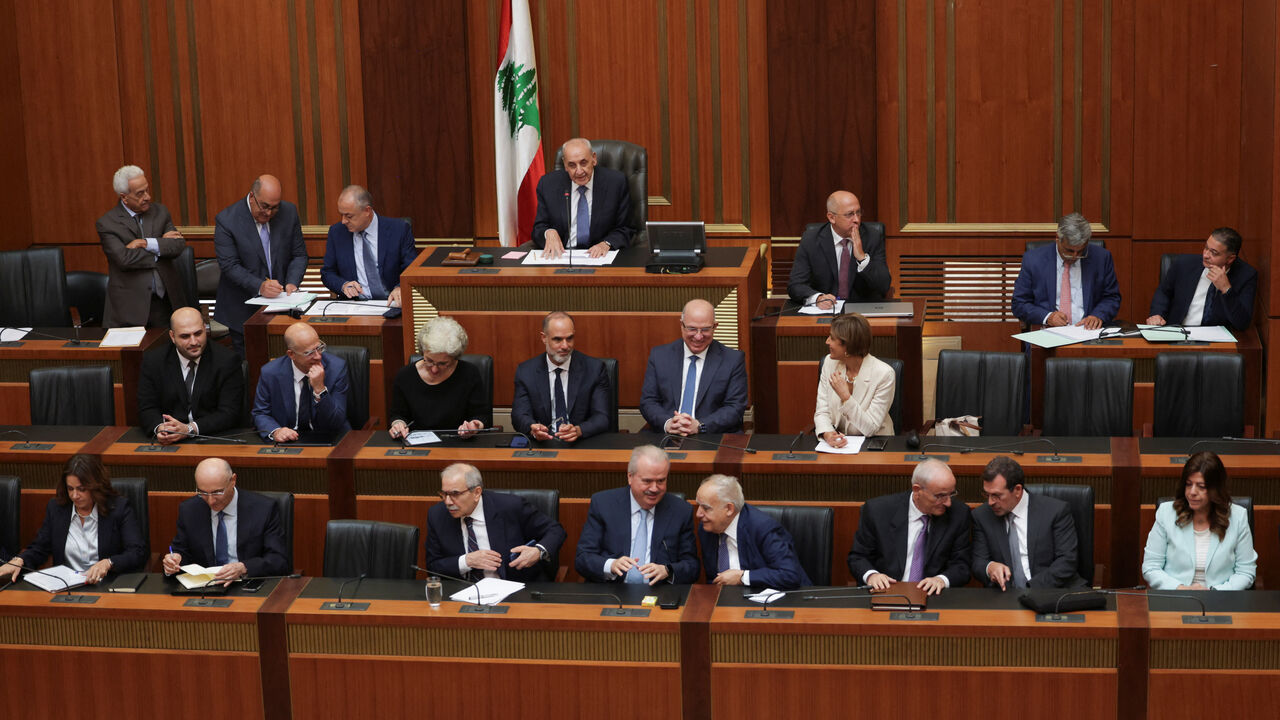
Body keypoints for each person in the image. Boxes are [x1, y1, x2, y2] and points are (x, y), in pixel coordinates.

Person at [0, 455, 145, 585]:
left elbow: (136, 552)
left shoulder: (118, 508)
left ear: (95, 486)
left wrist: (109, 563)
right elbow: (40, 548)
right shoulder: (57, 509)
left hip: (106, 586)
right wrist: (20, 560)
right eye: (70, 488)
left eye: (81, 489)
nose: (75, 495)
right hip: (66, 588)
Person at [574, 445, 699, 584]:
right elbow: (582, 558)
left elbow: (692, 566)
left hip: (659, 593)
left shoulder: (680, 511)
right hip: (613, 592)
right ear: (630, 477)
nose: (654, 488)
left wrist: (668, 570)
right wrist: (611, 565)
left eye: (661, 481)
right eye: (647, 481)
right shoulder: (603, 504)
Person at [213, 174, 308, 356]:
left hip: (283, 308)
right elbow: (229, 265)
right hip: (242, 310)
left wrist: (292, 282)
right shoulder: (227, 220)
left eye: (274, 208)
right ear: (251, 197)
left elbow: (299, 255)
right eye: (264, 206)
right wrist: (260, 285)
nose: (269, 213)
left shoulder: (288, 212)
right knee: (251, 367)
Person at [423, 463, 566, 583]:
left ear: (477, 492)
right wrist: (466, 561)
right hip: (464, 593)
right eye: (444, 494)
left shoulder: (510, 507)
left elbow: (555, 530)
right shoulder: (437, 515)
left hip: (515, 590)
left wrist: (538, 551)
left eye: (455, 494)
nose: (448, 502)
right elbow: (433, 567)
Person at [847, 459, 972, 596]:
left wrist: (942, 580)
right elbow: (858, 557)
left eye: (951, 494)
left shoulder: (959, 514)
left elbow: (962, 566)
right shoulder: (878, 511)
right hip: (886, 592)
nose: (948, 503)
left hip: (934, 596)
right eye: (940, 496)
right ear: (917, 490)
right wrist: (872, 576)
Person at [162, 458, 290, 584]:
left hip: (248, 583)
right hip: (206, 587)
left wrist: (244, 567)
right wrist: (174, 561)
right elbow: (181, 551)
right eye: (203, 493)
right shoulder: (190, 510)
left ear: (233, 480)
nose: (211, 501)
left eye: (217, 492)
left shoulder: (263, 509)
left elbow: (278, 560)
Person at [1142, 451, 1256, 590]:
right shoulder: (1166, 513)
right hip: (1175, 597)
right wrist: (1181, 589)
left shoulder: (1238, 517)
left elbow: (1245, 572)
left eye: (1201, 486)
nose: (1192, 492)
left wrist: (1214, 592)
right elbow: (1151, 567)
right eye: (1188, 484)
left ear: (1216, 489)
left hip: (1220, 599)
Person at [95, 165, 191, 328]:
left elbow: (177, 245)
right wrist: (160, 246)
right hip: (130, 307)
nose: (147, 197)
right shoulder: (107, 223)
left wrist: (146, 243)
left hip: (166, 303)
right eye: (140, 193)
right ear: (124, 197)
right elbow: (124, 259)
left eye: (146, 190)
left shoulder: (160, 212)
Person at [970, 456, 1086, 590]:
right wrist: (989, 567)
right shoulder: (982, 515)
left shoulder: (1055, 511)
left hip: (1050, 591)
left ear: (1017, 490)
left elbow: (1067, 561)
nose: (990, 502)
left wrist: (1029, 590)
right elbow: (978, 561)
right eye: (987, 495)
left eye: (997, 495)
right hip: (1004, 597)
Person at [639, 298, 749, 436]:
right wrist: (668, 424)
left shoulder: (732, 360)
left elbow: (735, 408)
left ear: (715, 326)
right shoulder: (660, 356)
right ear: (681, 325)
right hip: (666, 434)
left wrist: (700, 426)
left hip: (711, 435)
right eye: (692, 329)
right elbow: (648, 401)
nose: (698, 336)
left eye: (705, 329)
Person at [137, 307, 245, 444]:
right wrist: (161, 428)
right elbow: (147, 408)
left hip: (212, 438)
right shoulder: (154, 361)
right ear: (172, 336)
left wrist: (189, 429)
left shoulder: (227, 360)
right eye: (185, 336)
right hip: (168, 441)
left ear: (205, 329)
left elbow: (230, 413)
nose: (194, 342)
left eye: (198, 333)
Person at [694, 474, 810, 589]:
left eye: (706, 508)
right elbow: (712, 578)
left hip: (779, 600)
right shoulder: (707, 528)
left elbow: (789, 574)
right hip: (727, 601)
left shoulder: (762, 528)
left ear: (729, 509)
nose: (698, 514)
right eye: (698, 505)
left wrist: (742, 577)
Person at [510, 311, 611, 443]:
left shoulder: (594, 369)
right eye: (557, 339)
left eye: (569, 338)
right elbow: (519, 415)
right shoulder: (526, 371)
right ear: (544, 338)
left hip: (582, 443)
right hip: (543, 444)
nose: (565, 346)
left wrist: (579, 430)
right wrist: (532, 428)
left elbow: (602, 417)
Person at [1011, 212, 1121, 330]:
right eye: (1069, 251)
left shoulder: (1101, 258)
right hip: (1047, 333)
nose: (1074, 256)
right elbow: (1019, 303)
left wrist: (1098, 315)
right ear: (1058, 239)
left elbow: (1112, 297)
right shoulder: (1033, 260)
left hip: (1088, 334)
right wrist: (1047, 317)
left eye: (1080, 252)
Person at [388, 316, 490, 439]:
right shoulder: (405, 376)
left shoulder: (469, 373)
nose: (434, 369)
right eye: (429, 361)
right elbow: (397, 414)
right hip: (417, 445)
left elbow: (481, 415)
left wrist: (474, 426)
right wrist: (398, 424)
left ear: (454, 357)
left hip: (459, 444)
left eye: (443, 363)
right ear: (422, 352)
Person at [531, 138, 633, 258]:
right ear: (565, 164)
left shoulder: (615, 183)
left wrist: (606, 244)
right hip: (562, 257)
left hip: (600, 256)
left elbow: (625, 228)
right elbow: (539, 227)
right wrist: (548, 232)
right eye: (572, 165)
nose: (579, 171)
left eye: (583, 163)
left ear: (594, 159)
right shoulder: (548, 184)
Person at [787, 191, 891, 308]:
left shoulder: (872, 237)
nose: (856, 219)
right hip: (827, 312)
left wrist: (862, 258)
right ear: (832, 217)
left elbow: (884, 285)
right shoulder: (811, 240)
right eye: (849, 214)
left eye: (858, 213)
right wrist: (818, 298)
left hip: (861, 313)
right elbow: (795, 285)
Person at [251, 322, 351, 442]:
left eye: (319, 348)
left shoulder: (336, 368)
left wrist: (320, 389)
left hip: (330, 438)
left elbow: (336, 422)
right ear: (291, 354)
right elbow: (260, 413)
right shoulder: (270, 373)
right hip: (289, 440)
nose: (318, 356)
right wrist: (276, 431)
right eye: (309, 353)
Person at [320, 185, 417, 307]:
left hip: (393, 304)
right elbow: (327, 273)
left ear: (367, 211)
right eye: (341, 215)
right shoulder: (337, 232)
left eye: (349, 216)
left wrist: (400, 288)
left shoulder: (399, 230)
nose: (343, 221)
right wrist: (343, 285)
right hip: (355, 306)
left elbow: (411, 268)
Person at [1146, 227, 1257, 330]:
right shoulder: (1184, 264)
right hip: (1178, 334)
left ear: (1230, 259)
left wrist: (1226, 289)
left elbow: (1242, 323)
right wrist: (1157, 314)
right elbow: (1164, 292)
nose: (1205, 255)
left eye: (1214, 253)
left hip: (1216, 343)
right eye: (1206, 248)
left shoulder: (1246, 276)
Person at [814, 313, 895, 446]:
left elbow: (870, 428)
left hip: (874, 444)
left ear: (848, 346)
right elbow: (822, 411)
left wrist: (846, 397)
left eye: (832, 338)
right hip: (838, 444)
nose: (827, 341)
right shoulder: (829, 363)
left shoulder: (884, 374)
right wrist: (828, 434)